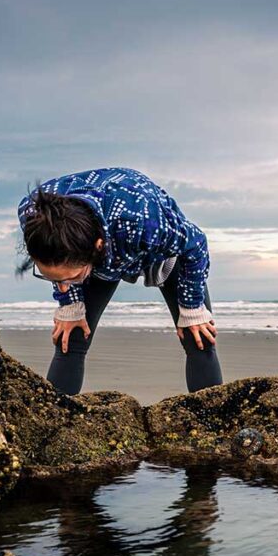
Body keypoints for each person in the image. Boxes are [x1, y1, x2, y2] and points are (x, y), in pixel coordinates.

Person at [17, 167, 222, 396]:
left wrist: (192, 308)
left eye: (71, 278)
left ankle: (214, 424)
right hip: (95, 247)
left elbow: (195, 243)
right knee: (72, 336)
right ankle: (56, 422)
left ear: (97, 247)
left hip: (146, 242)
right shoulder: (34, 216)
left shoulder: (144, 220)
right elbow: (63, 275)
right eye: (53, 278)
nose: (63, 286)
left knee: (198, 336)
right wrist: (70, 304)